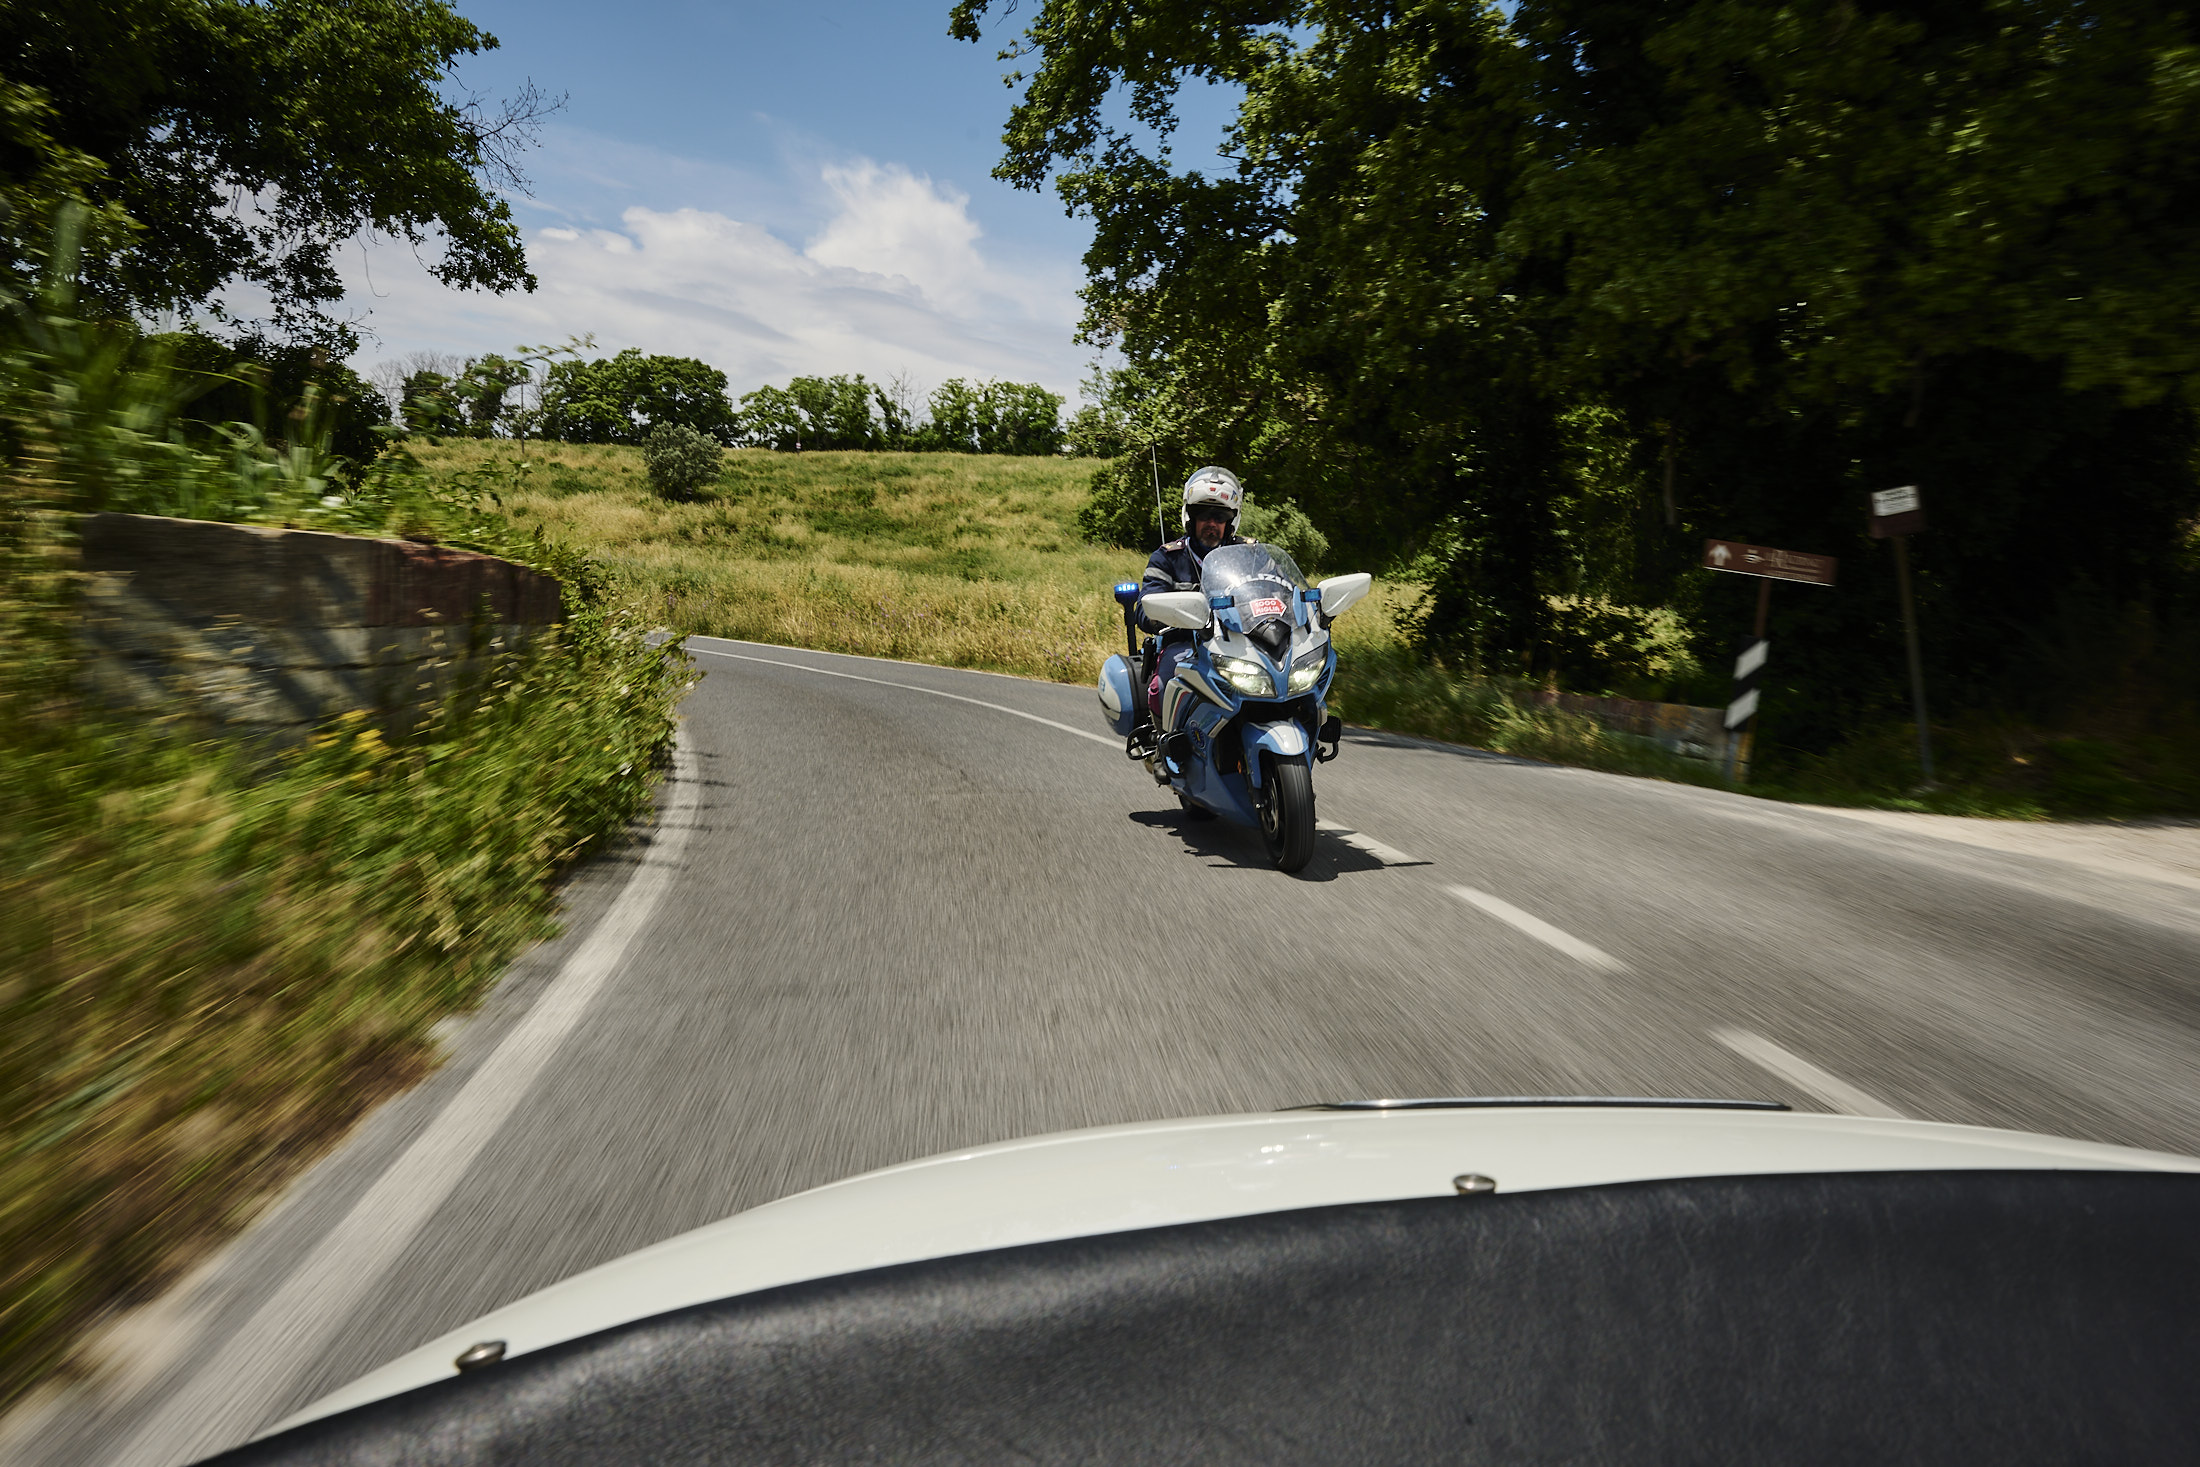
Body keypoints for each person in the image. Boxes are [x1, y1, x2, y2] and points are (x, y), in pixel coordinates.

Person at [1138, 467, 1246, 734]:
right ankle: (1167, 746)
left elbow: (1278, 592)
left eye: (1219, 516)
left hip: (1242, 645)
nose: (1211, 523)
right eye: (1203, 515)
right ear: (1190, 518)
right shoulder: (1168, 558)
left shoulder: (1250, 554)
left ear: (1230, 521)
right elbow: (1145, 607)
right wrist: (1169, 613)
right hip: (1186, 644)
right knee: (1166, 682)